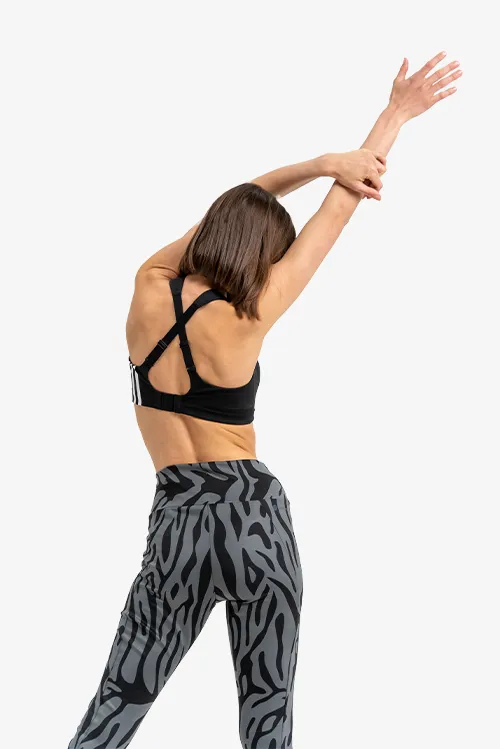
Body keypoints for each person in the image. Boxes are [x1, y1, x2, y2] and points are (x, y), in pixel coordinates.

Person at [67, 51, 461, 749]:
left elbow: (237, 200)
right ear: (263, 252)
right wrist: (393, 117)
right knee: (266, 710)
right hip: (253, 516)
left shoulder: (147, 285)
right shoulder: (250, 315)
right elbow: (339, 210)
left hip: (179, 516)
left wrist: (314, 161)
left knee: (119, 700)